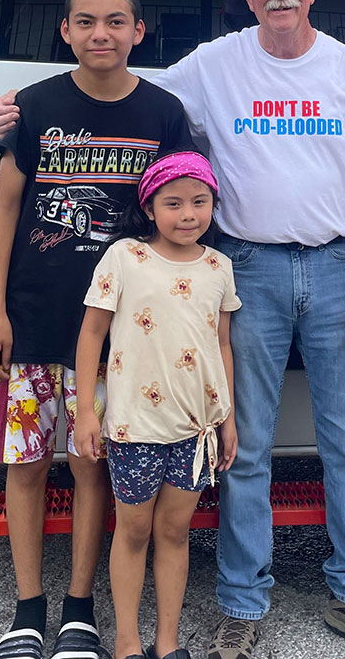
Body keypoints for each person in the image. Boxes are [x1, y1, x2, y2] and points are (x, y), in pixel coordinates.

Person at [0, 0, 345, 659]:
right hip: (246, 268)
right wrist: (13, 112)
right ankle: (242, 607)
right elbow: (117, 91)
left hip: (340, 265)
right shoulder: (214, 64)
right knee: (238, 447)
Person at [0, 0, 193, 659]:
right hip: (35, 321)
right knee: (27, 464)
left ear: (139, 31)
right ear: (65, 30)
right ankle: (26, 609)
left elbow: (186, 216)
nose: (101, 33)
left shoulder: (164, 114)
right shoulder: (36, 108)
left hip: (121, 338)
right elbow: (6, 209)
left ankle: (78, 609)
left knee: (91, 463)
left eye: (115, 21)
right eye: (85, 21)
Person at [75, 151, 240, 659]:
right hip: (134, 427)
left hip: (195, 430)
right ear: (149, 207)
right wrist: (86, 409)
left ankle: (167, 643)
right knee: (134, 529)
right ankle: (127, 641)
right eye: (172, 203)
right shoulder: (125, 257)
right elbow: (92, 334)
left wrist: (228, 419)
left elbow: (223, 345)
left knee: (174, 530)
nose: (187, 214)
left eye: (199, 202)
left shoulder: (219, 267)